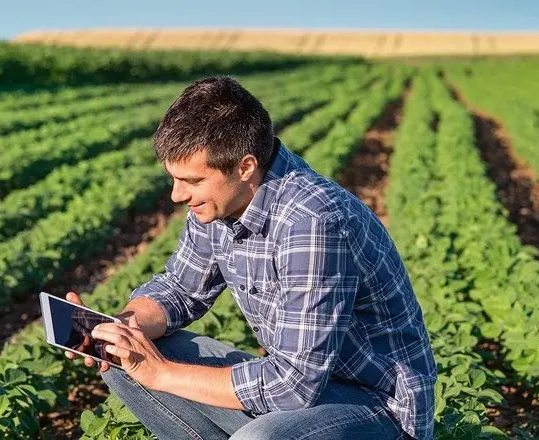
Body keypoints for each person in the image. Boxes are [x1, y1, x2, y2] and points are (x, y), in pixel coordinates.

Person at [63, 75, 437, 440]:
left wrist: (161, 373)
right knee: (121, 360)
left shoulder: (311, 222)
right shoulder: (221, 202)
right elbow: (181, 289)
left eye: (192, 181)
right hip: (301, 388)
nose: (177, 195)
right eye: (174, 178)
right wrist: (120, 328)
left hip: (374, 404)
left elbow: (294, 385)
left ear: (244, 167)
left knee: (260, 438)